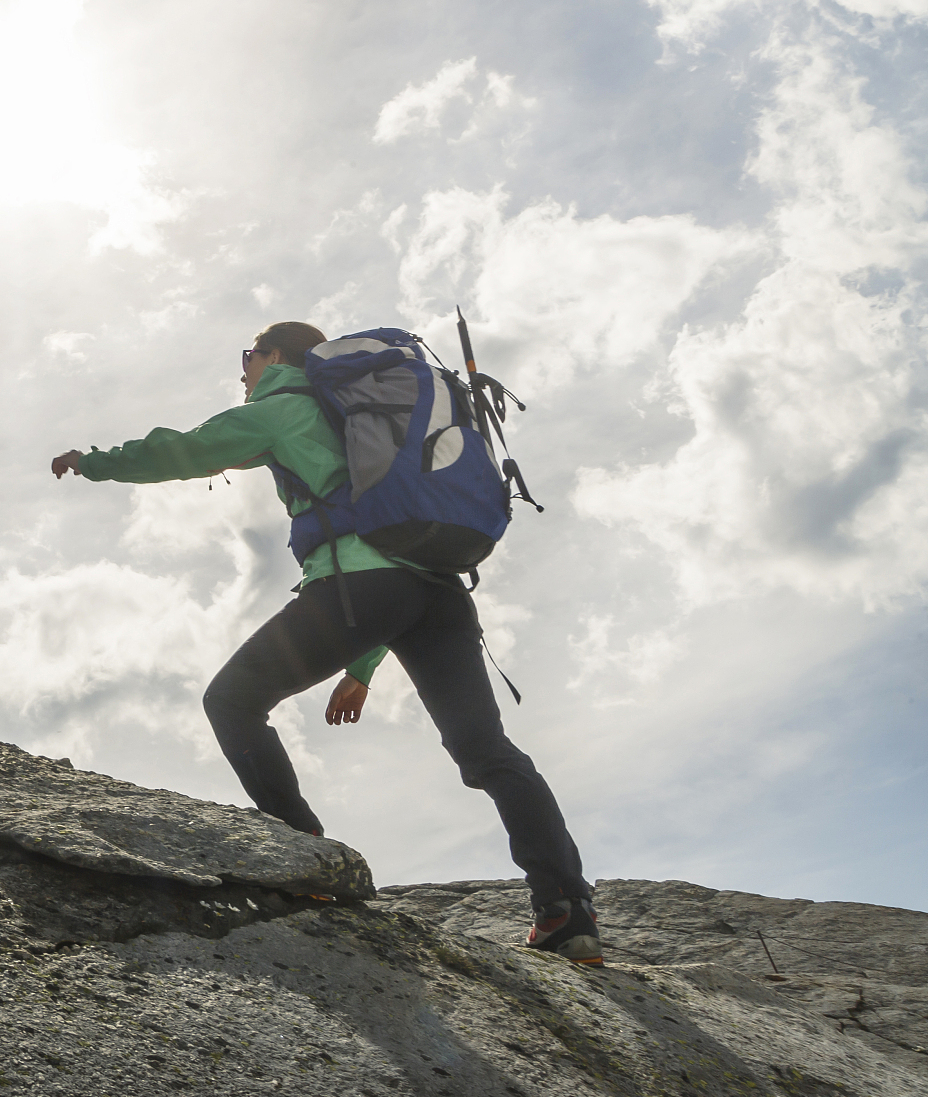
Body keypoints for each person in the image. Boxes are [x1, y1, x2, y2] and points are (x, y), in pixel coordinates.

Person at [49, 320, 603, 965]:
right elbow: (386, 531)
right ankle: (567, 910)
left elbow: (188, 450)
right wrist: (363, 665)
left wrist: (95, 463)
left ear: (276, 355)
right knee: (486, 750)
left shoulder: (284, 408)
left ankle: (304, 853)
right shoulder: (360, 412)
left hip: (360, 589)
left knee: (232, 701)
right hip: (440, 594)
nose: (244, 370)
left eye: (248, 355)